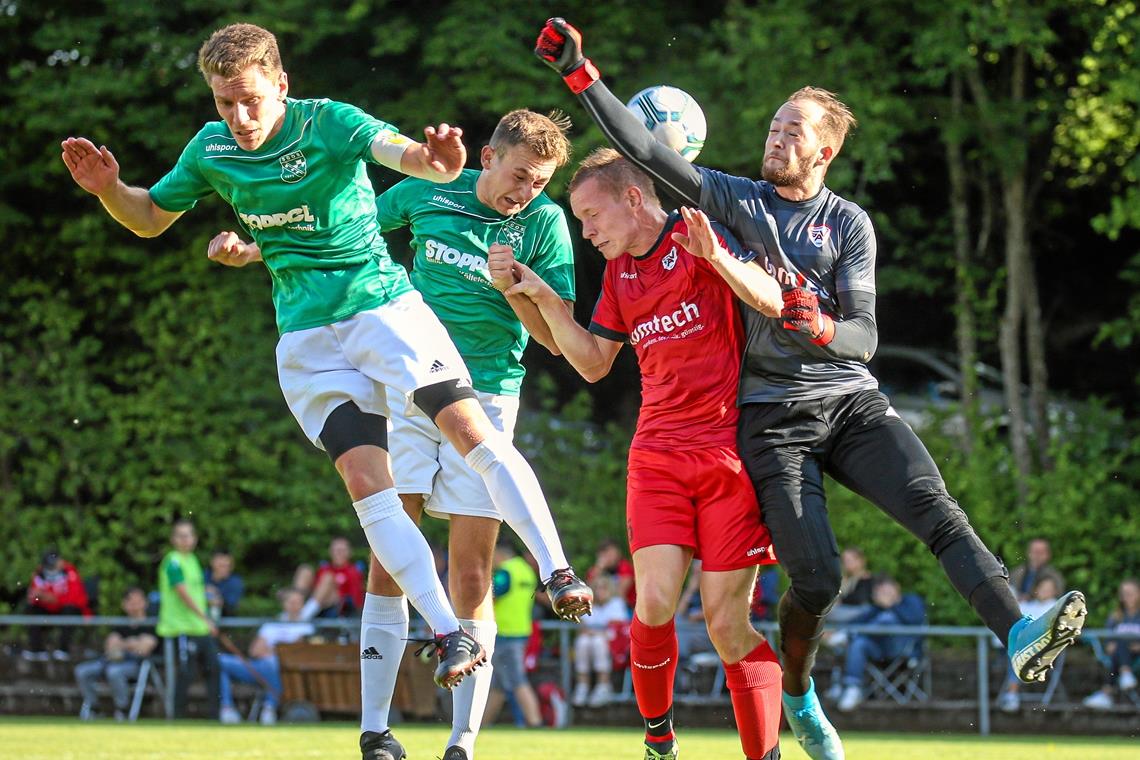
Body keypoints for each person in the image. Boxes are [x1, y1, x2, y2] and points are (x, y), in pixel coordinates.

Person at [533, 18, 1088, 759]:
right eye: (772, 125)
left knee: (936, 509)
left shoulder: (848, 224)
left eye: (794, 130)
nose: (776, 137)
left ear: (825, 149)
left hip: (850, 399)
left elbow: (863, 339)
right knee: (818, 577)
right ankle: (798, 690)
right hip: (768, 418)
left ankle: (1019, 632)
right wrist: (580, 74)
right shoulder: (735, 200)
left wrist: (818, 327)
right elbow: (642, 152)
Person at [59, 22, 585, 718]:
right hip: (307, 339)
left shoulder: (329, 122)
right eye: (224, 103)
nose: (239, 118)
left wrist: (437, 160)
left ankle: (557, 569)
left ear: (280, 84)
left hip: (381, 310)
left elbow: (401, 155)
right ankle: (447, 633)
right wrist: (108, 189)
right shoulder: (210, 148)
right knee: (371, 490)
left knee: (470, 431)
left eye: (250, 99)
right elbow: (151, 217)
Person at [504, 148, 784, 760]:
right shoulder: (619, 276)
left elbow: (771, 298)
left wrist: (718, 260)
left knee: (726, 625)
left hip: (728, 457)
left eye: (590, 215)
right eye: (578, 221)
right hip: (656, 456)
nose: (586, 230)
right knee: (654, 602)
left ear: (633, 198)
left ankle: (765, 753)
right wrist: (540, 297)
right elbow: (592, 362)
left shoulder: (696, 236)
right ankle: (660, 740)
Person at [360, 108, 586, 760]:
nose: (527, 191)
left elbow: (558, 340)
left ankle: (462, 744)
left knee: (472, 572)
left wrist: (518, 292)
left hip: (486, 393)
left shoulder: (544, 224)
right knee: (387, 563)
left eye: (540, 181)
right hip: (407, 386)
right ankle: (376, 731)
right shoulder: (431, 186)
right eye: (519, 175)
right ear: (488, 157)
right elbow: (350, 237)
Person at [218, 587, 315, 725]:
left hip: (286, 673)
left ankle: (269, 707)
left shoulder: (306, 627)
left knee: (272, 661)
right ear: (284, 604)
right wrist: (277, 650)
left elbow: (296, 653)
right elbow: (255, 651)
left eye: (298, 602)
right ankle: (227, 709)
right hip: (258, 669)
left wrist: (273, 650)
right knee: (220, 661)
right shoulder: (272, 625)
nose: (295, 606)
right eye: (292, 602)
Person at [157, 518, 220, 719]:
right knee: (187, 673)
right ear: (173, 539)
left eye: (189, 535)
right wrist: (207, 618)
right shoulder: (173, 561)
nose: (186, 540)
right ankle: (177, 716)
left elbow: (195, 590)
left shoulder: (192, 560)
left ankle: (215, 716)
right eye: (181, 535)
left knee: (214, 667)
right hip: (181, 627)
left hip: (199, 627)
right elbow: (183, 593)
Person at [835, 574, 926, 712]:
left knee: (887, 620)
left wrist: (892, 606)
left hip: (903, 650)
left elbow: (916, 620)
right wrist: (879, 607)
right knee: (859, 644)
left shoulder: (911, 600)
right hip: (878, 650)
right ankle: (852, 688)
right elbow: (856, 622)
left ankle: (847, 636)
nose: (884, 596)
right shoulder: (875, 608)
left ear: (897, 588)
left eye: (887, 592)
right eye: (881, 593)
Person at [483, 540, 543, 729]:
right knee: (499, 686)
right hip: (521, 631)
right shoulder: (526, 571)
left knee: (517, 681)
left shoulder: (506, 571)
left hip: (504, 633)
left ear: (499, 555)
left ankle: (535, 722)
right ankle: (480, 724)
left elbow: (489, 594)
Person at [74, 586, 157, 720]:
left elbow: (144, 649)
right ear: (124, 604)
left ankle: (122, 709)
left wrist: (122, 645)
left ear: (145, 603)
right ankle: (94, 708)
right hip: (110, 661)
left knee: (114, 671)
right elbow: (110, 646)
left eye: (138, 601)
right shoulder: (121, 624)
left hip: (135, 664)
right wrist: (133, 643)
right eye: (131, 602)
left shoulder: (151, 624)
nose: (135, 606)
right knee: (82, 671)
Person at [995, 574, 1062, 713]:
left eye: (1048, 589)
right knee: (1015, 653)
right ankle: (1012, 694)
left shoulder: (1056, 607)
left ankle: (1012, 694)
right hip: (1023, 648)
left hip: (1043, 651)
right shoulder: (1027, 605)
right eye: (1043, 588)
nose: (1044, 591)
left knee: (1017, 654)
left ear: (1054, 591)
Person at [22, 548, 90, 661]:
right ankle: (37, 649)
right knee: (31, 609)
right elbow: (34, 597)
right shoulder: (39, 574)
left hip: (65, 610)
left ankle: (63, 649)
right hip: (48, 610)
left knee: (69, 610)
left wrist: (54, 599)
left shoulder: (69, 571)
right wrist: (39, 597)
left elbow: (76, 599)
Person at [572, 574, 629, 708]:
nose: (600, 591)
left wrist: (596, 632)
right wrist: (596, 632)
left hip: (615, 646)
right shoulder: (588, 604)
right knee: (583, 642)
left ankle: (603, 685)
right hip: (592, 641)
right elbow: (582, 629)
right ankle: (583, 685)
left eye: (604, 588)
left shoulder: (617, 604)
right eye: (597, 588)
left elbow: (616, 630)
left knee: (597, 642)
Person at [1082, 578, 1140, 709]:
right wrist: (1113, 646)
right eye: (1125, 594)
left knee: (1120, 644)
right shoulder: (1116, 617)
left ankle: (1106, 693)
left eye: (1131, 593)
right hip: (1119, 655)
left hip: (1137, 657)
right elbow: (1109, 644)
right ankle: (1125, 673)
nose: (1128, 597)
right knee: (1119, 645)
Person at [300, 536, 366, 619]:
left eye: (342, 550)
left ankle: (301, 618)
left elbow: (356, 599)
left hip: (340, 607)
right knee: (305, 570)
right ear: (330, 552)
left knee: (328, 578)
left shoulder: (353, 571)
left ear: (349, 553)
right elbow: (315, 588)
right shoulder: (324, 568)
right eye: (336, 550)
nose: (339, 553)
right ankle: (292, 610)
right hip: (316, 602)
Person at [1009, 538, 1065, 603]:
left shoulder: (1054, 575)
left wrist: (1031, 597)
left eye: (1041, 552)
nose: (1037, 556)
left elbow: (1058, 595)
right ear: (1028, 553)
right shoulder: (1017, 572)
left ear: (1048, 555)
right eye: (1035, 552)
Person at [588, 538, 636, 610]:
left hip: (627, 608)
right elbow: (588, 592)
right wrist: (599, 568)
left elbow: (620, 593)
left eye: (611, 553)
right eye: (605, 554)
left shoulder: (625, 567)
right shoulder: (596, 570)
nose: (609, 557)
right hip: (602, 608)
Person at [204, 548, 244, 619]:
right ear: (212, 562)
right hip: (199, 620)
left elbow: (231, 605)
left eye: (226, 565)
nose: (223, 566)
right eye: (220, 564)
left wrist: (215, 597)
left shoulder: (235, 582)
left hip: (225, 622)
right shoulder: (202, 576)